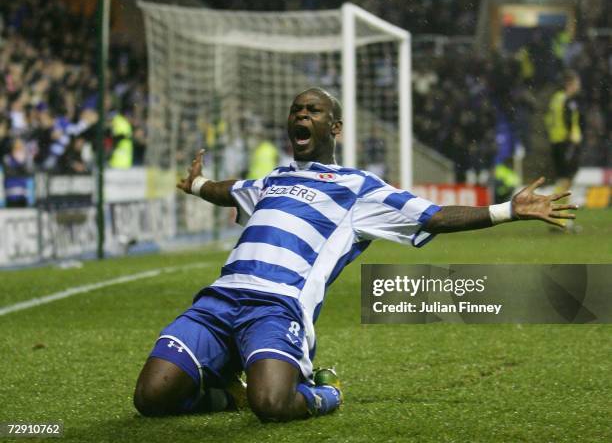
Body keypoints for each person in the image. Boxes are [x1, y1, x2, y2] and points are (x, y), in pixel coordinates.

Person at [133, 88, 577, 422]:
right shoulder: (271, 180)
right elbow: (228, 191)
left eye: (313, 110)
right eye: (296, 110)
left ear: (335, 128)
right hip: (218, 300)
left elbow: (434, 216)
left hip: (276, 307)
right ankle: (229, 395)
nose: (302, 114)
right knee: (151, 399)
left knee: (272, 405)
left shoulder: (359, 188)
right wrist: (195, 185)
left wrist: (507, 210)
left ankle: (327, 393)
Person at [545, 70, 583, 228]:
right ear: (569, 84)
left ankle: (557, 218)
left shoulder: (555, 99)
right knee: (566, 181)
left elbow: (548, 120)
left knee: (562, 180)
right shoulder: (568, 100)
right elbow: (568, 121)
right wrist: (571, 139)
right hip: (565, 142)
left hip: (556, 142)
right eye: (576, 83)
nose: (578, 86)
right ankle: (558, 219)